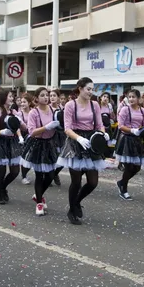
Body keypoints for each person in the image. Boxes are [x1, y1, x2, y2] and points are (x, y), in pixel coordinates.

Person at [57, 77, 108, 225]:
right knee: (76, 181)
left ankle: (77, 201)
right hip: (76, 142)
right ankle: (72, 210)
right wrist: (79, 139)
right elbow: (67, 128)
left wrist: (103, 134)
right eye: (88, 89)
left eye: (92, 89)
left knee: (93, 182)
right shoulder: (70, 105)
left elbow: (99, 124)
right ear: (80, 88)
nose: (91, 92)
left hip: (91, 141)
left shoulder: (95, 105)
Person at [20, 87, 61, 215]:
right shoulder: (34, 113)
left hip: (50, 144)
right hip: (37, 144)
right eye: (42, 95)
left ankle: (38, 195)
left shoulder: (54, 110)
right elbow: (31, 131)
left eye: (47, 95)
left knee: (50, 174)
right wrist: (46, 127)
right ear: (36, 98)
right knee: (39, 175)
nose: (46, 97)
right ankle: (39, 203)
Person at [0, 90, 25, 204]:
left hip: (13, 142)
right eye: (10, 96)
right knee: (1, 171)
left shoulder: (14, 112)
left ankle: (3, 187)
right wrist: (2, 132)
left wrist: (20, 122)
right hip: (0, 142)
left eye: (12, 96)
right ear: (3, 98)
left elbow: (24, 128)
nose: (12, 98)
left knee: (15, 171)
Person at [114, 89, 144, 200]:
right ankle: (124, 190)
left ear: (139, 98)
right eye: (129, 97)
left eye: (133, 97)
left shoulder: (142, 110)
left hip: (137, 140)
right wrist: (132, 130)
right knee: (128, 166)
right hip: (126, 139)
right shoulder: (125, 109)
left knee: (137, 167)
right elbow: (120, 125)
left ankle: (121, 183)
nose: (131, 99)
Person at [49, 89, 64, 186]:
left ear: (58, 97)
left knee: (63, 157)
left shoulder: (61, 107)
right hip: (51, 135)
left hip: (61, 135)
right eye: (50, 96)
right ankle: (48, 177)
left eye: (54, 95)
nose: (52, 97)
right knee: (51, 158)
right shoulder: (47, 108)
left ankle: (55, 173)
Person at [18, 93, 33, 185]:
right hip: (23, 136)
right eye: (21, 102)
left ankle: (25, 173)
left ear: (29, 102)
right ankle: (23, 176)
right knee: (25, 157)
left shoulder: (33, 111)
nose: (22, 104)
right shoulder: (19, 114)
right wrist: (20, 137)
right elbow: (17, 127)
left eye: (24, 102)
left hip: (33, 136)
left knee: (32, 157)